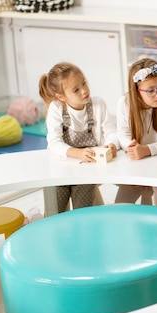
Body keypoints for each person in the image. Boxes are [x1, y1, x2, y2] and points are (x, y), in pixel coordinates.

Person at [39, 61, 119, 213]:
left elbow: (112, 133)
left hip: (87, 169)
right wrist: (78, 153)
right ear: (61, 97)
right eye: (76, 89)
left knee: (83, 209)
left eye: (84, 83)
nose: (84, 91)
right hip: (60, 168)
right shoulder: (56, 108)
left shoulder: (97, 104)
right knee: (56, 210)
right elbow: (54, 143)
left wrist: (111, 144)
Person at [116, 59, 157, 205]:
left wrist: (146, 150)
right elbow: (122, 134)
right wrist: (131, 147)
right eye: (151, 90)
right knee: (121, 204)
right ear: (136, 91)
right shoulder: (124, 103)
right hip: (136, 161)